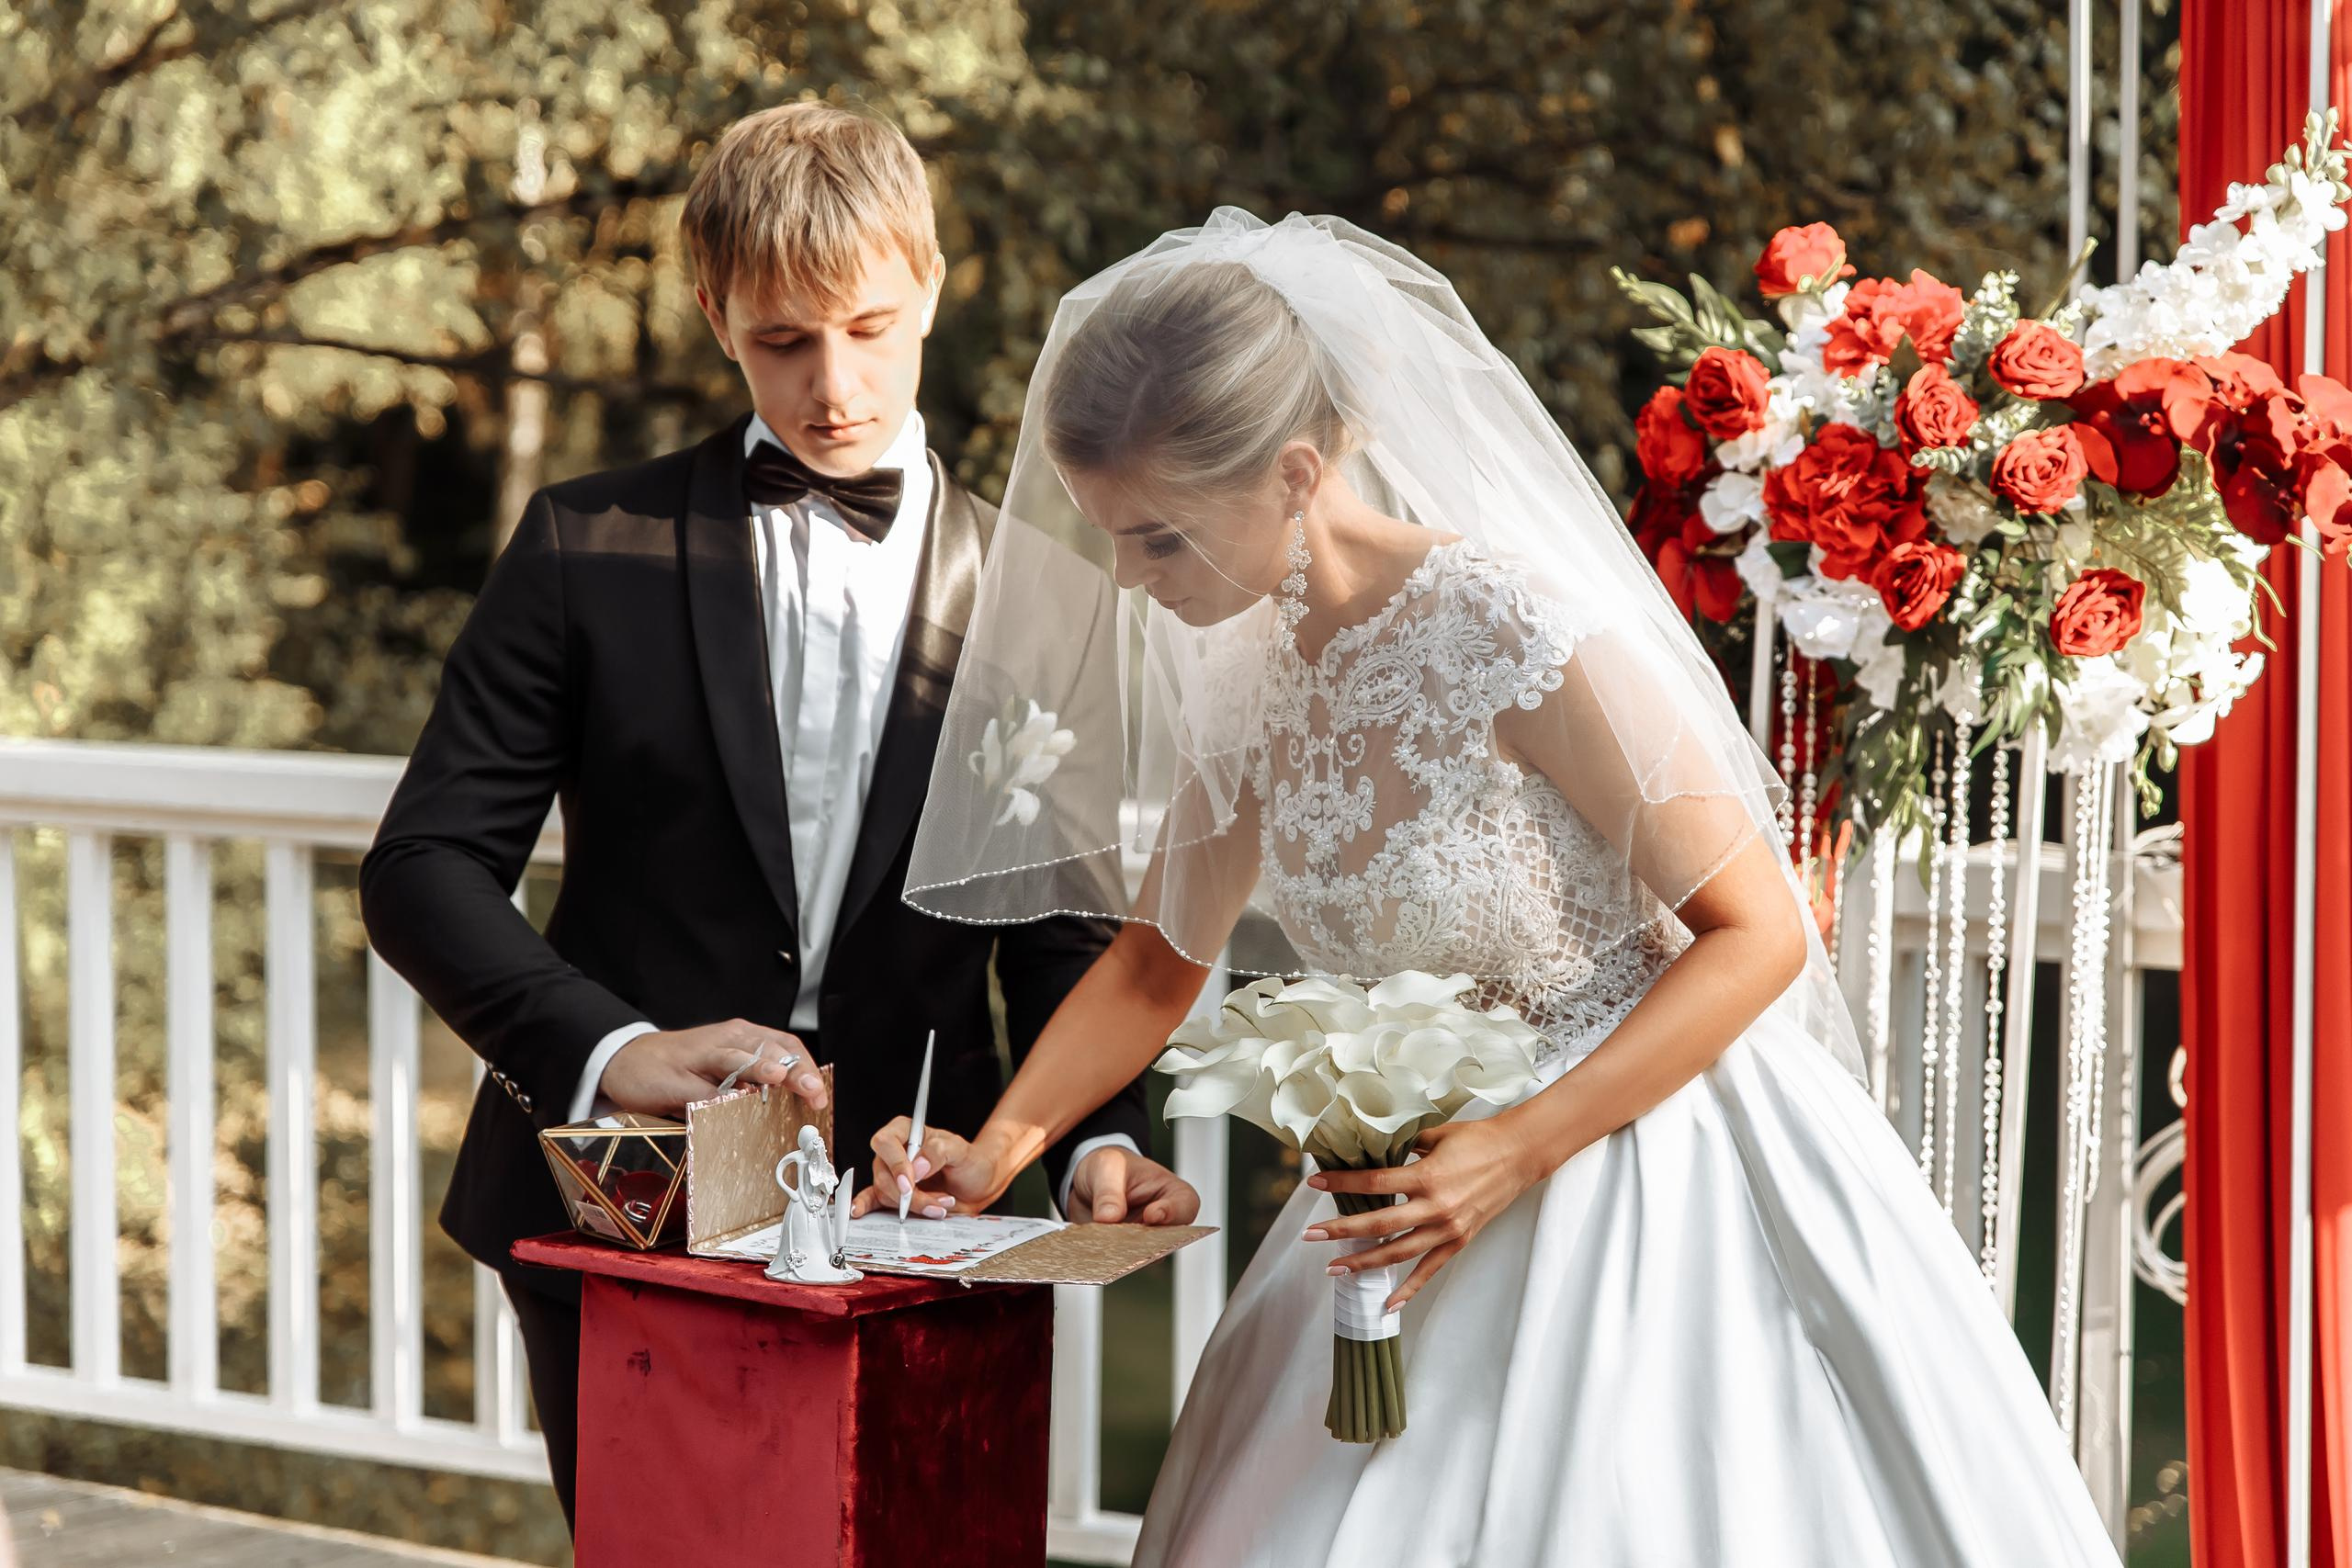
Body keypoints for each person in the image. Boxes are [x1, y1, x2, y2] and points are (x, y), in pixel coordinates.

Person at [865, 210, 2124, 1564]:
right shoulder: (1241, 669)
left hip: (1637, 1166)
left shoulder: (1512, 627)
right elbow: (1156, 964)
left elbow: (1755, 933)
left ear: (1295, 474)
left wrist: (1519, 1149)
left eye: (1159, 538)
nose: (1128, 577)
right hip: (1392, 1207)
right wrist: (992, 1156)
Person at [359, 103, 1196, 1531]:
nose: (834, 388)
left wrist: (1099, 1135)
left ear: (934, 282)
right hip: (626, 1202)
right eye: (783, 341)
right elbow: (423, 869)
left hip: (923, 1216)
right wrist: (613, 1051)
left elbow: (1061, 928)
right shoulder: (581, 545)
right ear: (712, 314)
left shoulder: (1052, 595)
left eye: (871, 327)